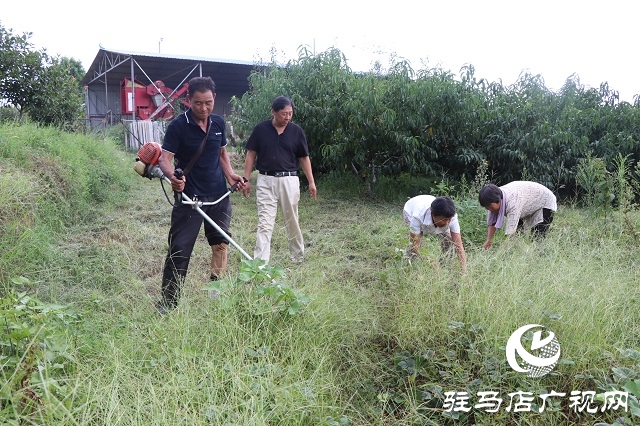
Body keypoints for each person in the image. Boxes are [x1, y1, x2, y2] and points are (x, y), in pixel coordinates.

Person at [156, 76, 246, 312]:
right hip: (190, 200)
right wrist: (173, 178)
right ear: (188, 100)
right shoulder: (178, 126)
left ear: (214, 98)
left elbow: (222, 154)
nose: (204, 108)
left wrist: (231, 175)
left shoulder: (218, 124)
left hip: (218, 198)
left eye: (208, 102)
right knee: (179, 251)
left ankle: (216, 296)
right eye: (198, 103)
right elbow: (165, 159)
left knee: (220, 246)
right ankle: (168, 303)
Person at [242, 95, 317, 264]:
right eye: (284, 114)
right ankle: (260, 264)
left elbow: (304, 158)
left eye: (290, 113)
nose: (288, 117)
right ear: (273, 112)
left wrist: (311, 182)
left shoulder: (296, 131)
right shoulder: (261, 129)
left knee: (292, 220)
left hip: (289, 181)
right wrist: (245, 179)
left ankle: (297, 257)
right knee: (264, 223)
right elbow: (251, 154)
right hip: (265, 181)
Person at [478, 181, 557, 250]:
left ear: (499, 200)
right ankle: (521, 252)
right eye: (486, 207)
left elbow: (510, 233)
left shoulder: (513, 202)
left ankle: (538, 258)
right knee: (519, 234)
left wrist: (501, 252)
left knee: (537, 237)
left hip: (545, 201)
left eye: (490, 207)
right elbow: (492, 222)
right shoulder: (491, 198)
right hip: (526, 200)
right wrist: (488, 240)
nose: (488, 209)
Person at [403, 195, 467, 273]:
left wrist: (464, 272)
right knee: (414, 247)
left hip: (427, 203)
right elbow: (414, 247)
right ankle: (410, 268)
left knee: (449, 242)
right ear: (433, 215)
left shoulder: (452, 218)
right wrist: (431, 262)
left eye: (449, 220)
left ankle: (445, 267)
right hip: (410, 210)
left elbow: (458, 245)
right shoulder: (417, 217)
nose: (447, 222)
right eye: (444, 220)